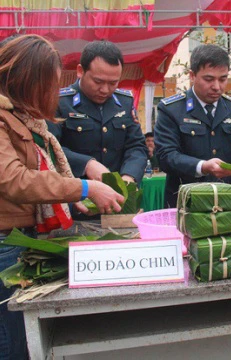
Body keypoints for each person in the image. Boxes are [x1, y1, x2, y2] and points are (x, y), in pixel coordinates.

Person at [0, 34, 124, 360]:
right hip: (6, 242)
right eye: (50, 84)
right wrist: (82, 187)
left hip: (24, 235)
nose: (54, 94)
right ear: (30, 81)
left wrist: (65, 197)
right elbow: (13, 179)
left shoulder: (24, 117)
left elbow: (40, 167)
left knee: (27, 337)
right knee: (12, 338)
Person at [154, 44, 231, 208]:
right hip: (185, 203)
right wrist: (203, 166)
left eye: (223, 79)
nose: (217, 86)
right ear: (192, 76)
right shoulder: (171, 109)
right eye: (209, 79)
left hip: (226, 203)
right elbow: (166, 156)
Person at [48, 40, 147, 185]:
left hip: (118, 193)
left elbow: (136, 146)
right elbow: (49, 147)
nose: (105, 90)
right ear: (80, 71)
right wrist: (86, 164)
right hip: (77, 195)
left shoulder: (124, 102)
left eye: (113, 83)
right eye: (98, 82)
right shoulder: (59, 102)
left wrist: (129, 176)